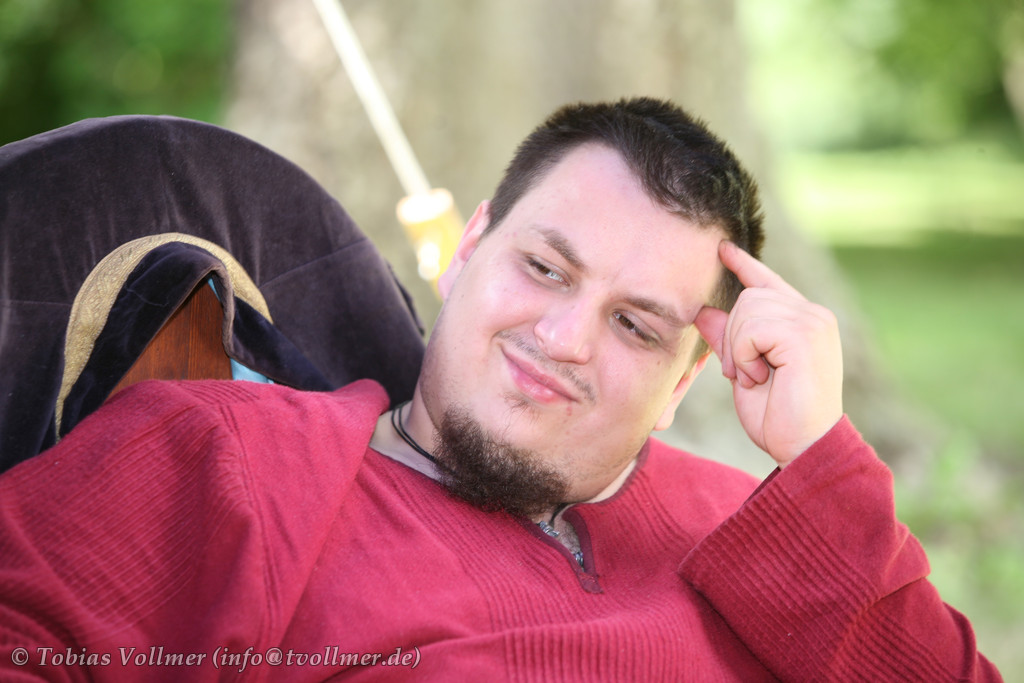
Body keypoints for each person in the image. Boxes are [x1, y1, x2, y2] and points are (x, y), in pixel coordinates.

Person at [0, 98, 1002, 681]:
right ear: (468, 246)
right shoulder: (230, 457)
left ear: (684, 380)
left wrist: (819, 460)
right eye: (545, 268)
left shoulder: (756, 535)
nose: (562, 341)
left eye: (635, 324)